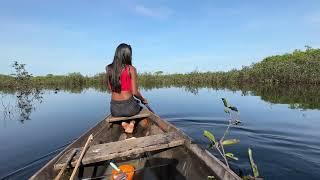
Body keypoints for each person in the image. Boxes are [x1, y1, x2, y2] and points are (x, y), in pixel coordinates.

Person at [106, 43, 148, 133]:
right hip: (129, 108)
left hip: (114, 109)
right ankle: (132, 123)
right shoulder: (131, 69)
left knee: (128, 108)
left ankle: (123, 122)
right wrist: (143, 99)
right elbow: (135, 92)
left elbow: (110, 88)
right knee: (138, 107)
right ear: (128, 55)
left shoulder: (108, 68)